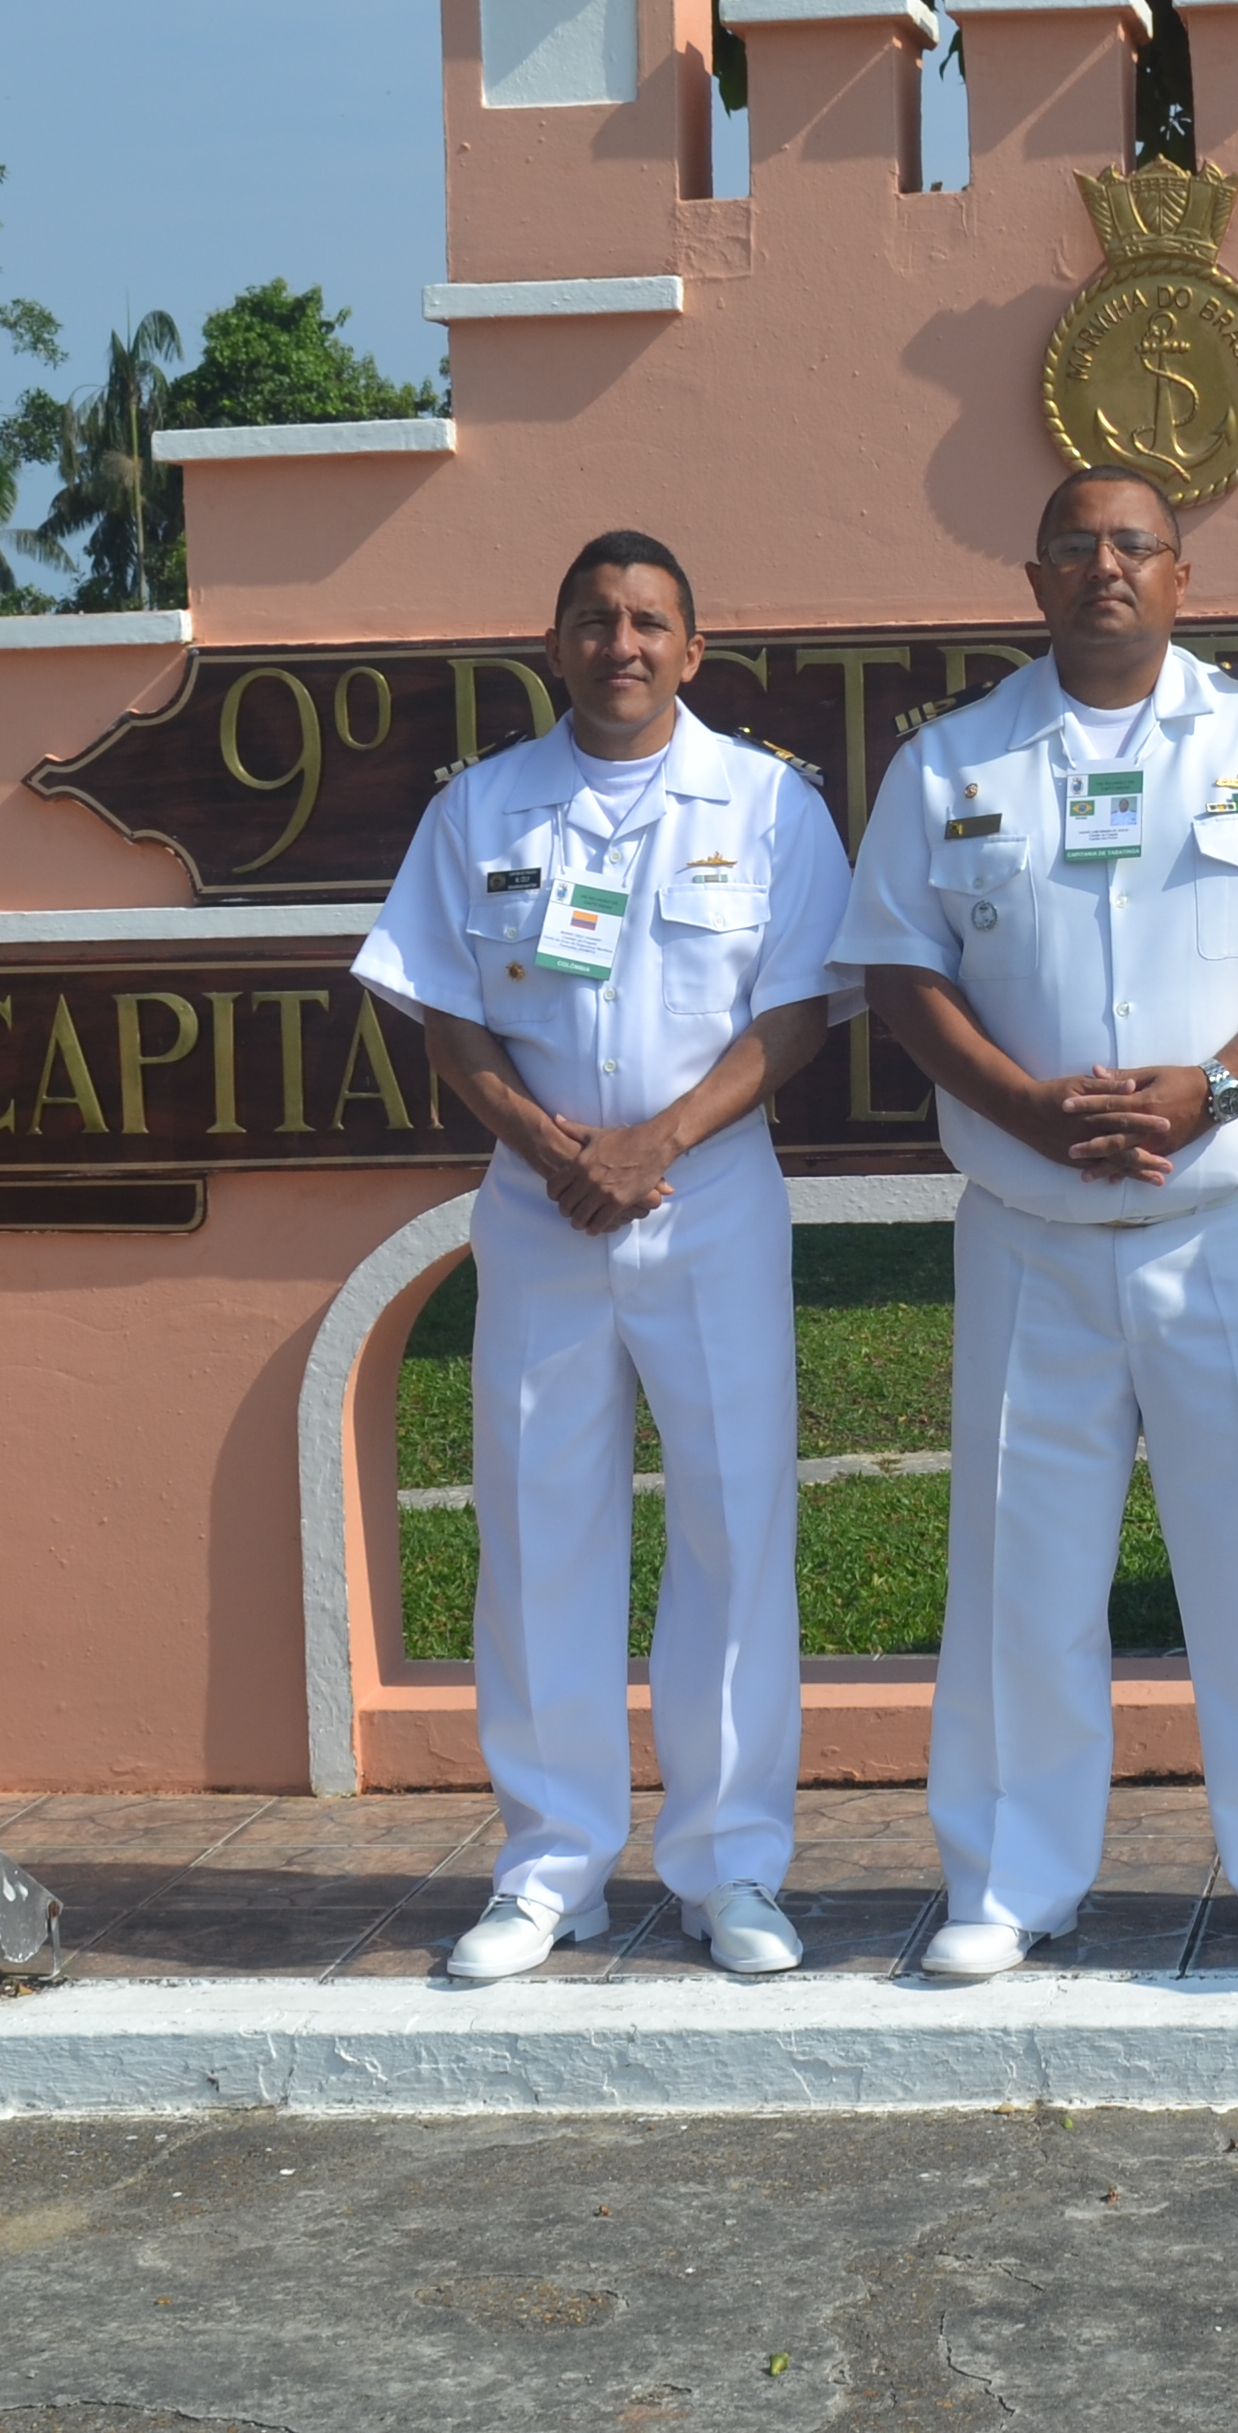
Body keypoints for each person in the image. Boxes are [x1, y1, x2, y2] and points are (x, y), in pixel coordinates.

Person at [831, 468, 1238, 1981]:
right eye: (1075, 548)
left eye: (1133, 546)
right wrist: (1022, 1105)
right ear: (1032, 579)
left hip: (1227, 1221)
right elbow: (900, 967)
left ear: (1183, 575)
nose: (1105, 570)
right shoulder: (953, 764)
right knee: (1021, 1574)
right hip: (1028, 1227)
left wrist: (1213, 1085)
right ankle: (1008, 1884)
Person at [352, 530, 856, 1982]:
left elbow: (800, 1012)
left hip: (708, 1206)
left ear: (694, 650)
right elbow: (446, 1017)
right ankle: (548, 1866)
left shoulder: (767, 804)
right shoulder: (482, 808)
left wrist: (655, 1143)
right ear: (555, 643)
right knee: (538, 1531)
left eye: (650, 622)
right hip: (539, 1212)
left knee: (735, 1527)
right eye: (594, 621)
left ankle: (733, 1869)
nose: (622, 644)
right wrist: (553, 1146)